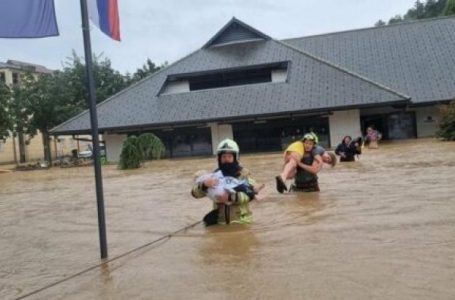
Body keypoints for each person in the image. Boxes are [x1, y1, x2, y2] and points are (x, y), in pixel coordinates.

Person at [191, 138, 259, 226]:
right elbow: (195, 194)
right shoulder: (214, 175)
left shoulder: (244, 174)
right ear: (219, 158)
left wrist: (230, 197)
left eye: (229, 157)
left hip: (242, 223)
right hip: (220, 223)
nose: (226, 159)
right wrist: (204, 185)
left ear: (235, 158)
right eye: (223, 157)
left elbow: (250, 196)